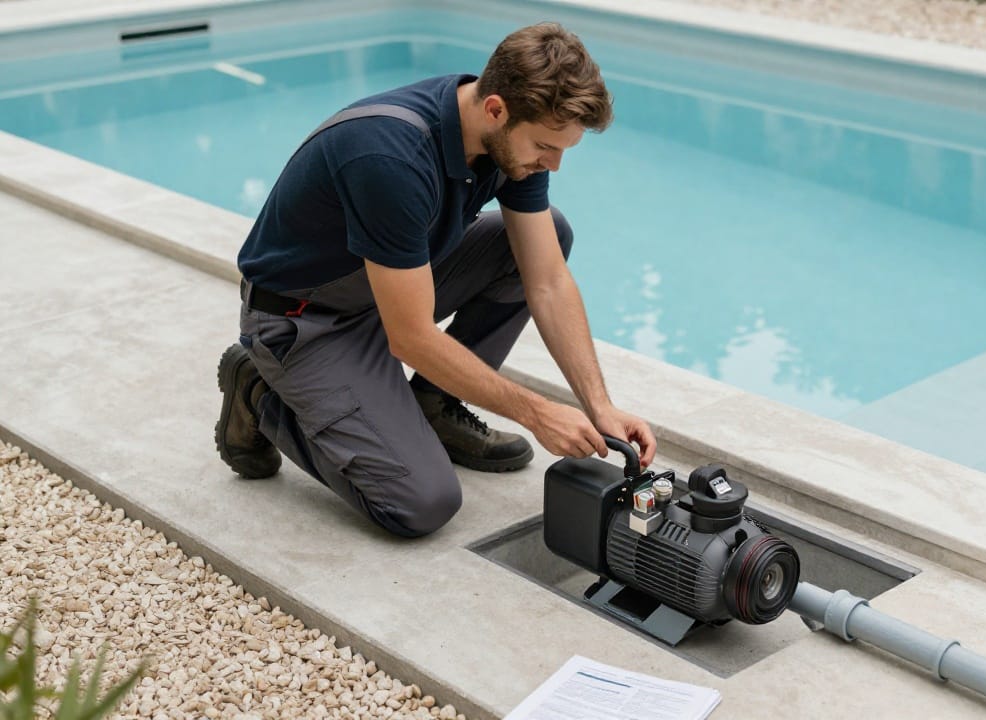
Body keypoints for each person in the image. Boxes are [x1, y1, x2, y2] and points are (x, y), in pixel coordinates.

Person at [214, 22, 657, 537]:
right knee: (421, 503)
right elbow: (411, 337)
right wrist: (536, 413)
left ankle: (434, 404)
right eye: (545, 145)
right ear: (496, 108)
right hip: (306, 320)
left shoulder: (502, 138)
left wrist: (598, 406)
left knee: (548, 233)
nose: (552, 163)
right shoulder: (392, 158)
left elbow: (548, 280)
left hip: (390, 291)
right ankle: (259, 390)